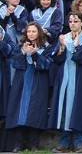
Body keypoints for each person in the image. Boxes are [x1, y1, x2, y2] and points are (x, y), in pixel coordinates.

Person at [50, 11, 82, 153]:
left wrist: (77, 47)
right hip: (64, 79)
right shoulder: (63, 38)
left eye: (76, 21)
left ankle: (79, 142)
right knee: (64, 109)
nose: (73, 24)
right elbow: (56, 60)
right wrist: (62, 48)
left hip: (80, 80)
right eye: (70, 21)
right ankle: (63, 142)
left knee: (79, 109)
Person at [6, 22, 51, 152]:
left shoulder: (46, 47)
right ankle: (18, 145)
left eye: (34, 31)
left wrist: (35, 54)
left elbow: (46, 65)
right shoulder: (20, 46)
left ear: (39, 33)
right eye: (29, 31)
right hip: (21, 82)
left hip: (37, 82)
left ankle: (34, 145)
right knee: (19, 111)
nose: (31, 34)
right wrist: (24, 54)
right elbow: (15, 64)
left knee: (35, 112)